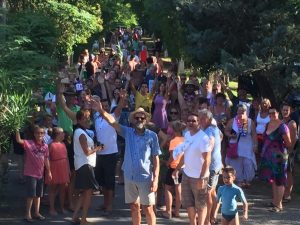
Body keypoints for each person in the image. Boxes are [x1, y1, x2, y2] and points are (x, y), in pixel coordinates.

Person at [92, 102, 161, 225]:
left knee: (148, 209)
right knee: (134, 207)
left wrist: (155, 180)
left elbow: (156, 159)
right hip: (129, 176)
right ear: (133, 120)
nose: (139, 119)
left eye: (142, 117)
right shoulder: (127, 132)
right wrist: (101, 111)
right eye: (137, 117)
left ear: (146, 120)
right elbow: (112, 123)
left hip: (145, 177)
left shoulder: (152, 136)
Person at [172, 112, 211, 225]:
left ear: (199, 122)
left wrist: (202, 178)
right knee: (188, 204)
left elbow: (207, 160)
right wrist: (177, 169)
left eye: (194, 121)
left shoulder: (203, 138)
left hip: (199, 177)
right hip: (186, 175)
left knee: (200, 205)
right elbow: (185, 154)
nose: (190, 123)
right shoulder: (187, 134)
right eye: (189, 121)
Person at [93, 94, 124, 216]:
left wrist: (121, 98)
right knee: (102, 182)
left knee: (110, 181)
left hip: (111, 154)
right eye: (102, 106)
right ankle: (105, 203)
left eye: (106, 106)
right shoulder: (96, 118)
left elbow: (120, 107)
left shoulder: (113, 117)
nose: (104, 108)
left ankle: (109, 206)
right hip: (99, 154)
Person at [72, 109, 103, 225]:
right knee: (88, 193)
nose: (87, 119)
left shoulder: (81, 132)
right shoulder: (80, 133)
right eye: (85, 117)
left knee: (84, 193)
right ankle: (83, 220)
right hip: (85, 165)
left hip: (83, 165)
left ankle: (75, 217)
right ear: (79, 120)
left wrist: (94, 148)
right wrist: (97, 148)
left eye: (88, 117)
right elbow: (87, 152)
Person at [16, 125, 52, 222]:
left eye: (42, 133)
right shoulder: (29, 143)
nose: (40, 134)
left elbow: (46, 159)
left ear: (44, 134)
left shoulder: (45, 146)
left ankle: (36, 212)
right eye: (37, 133)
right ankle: (27, 214)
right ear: (34, 134)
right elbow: (19, 140)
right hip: (30, 173)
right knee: (30, 195)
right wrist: (16, 128)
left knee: (38, 195)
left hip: (40, 173)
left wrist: (48, 171)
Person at [259, 107, 291, 212]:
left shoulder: (283, 126)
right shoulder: (268, 124)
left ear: (278, 113)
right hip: (269, 157)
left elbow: (288, 143)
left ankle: (278, 206)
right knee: (273, 179)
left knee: (280, 180)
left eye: (274, 112)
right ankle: (275, 202)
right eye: (270, 113)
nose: (272, 115)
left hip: (279, 158)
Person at [199, 109, 223, 225]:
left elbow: (209, 146)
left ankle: (207, 220)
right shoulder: (215, 128)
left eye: (202, 118)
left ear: (208, 119)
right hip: (217, 163)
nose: (200, 121)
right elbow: (221, 137)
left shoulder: (208, 131)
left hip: (211, 166)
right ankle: (212, 216)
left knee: (208, 192)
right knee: (212, 191)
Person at [225, 104, 257, 187]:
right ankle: (240, 180)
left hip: (248, 146)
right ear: (237, 111)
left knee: (248, 163)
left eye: (243, 111)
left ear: (246, 111)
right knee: (236, 164)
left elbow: (254, 134)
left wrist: (255, 144)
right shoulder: (232, 121)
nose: (241, 112)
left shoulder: (250, 121)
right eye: (239, 111)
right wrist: (230, 135)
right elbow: (226, 131)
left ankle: (247, 180)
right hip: (235, 145)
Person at [161, 120, 186, 219]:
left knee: (168, 188)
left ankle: (168, 211)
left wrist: (167, 162)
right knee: (178, 188)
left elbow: (172, 156)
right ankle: (177, 211)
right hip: (182, 167)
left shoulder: (173, 141)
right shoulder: (185, 139)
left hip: (173, 167)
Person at [46, 127, 70, 216]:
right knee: (53, 189)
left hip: (63, 167)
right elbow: (47, 158)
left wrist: (67, 169)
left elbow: (66, 157)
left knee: (63, 189)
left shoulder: (63, 144)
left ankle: (62, 207)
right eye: (62, 133)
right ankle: (52, 208)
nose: (64, 134)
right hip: (54, 167)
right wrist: (49, 171)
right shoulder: (51, 145)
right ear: (57, 134)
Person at [281, 103, 298, 202]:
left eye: (287, 110)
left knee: (289, 171)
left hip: (289, 151)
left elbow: (291, 142)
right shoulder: (281, 121)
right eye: (283, 110)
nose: (285, 112)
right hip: (281, 150)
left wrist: (287, 152)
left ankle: (288, 194)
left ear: (290, 111)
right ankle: (282, 192)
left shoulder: (292, 123)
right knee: (282, 172)